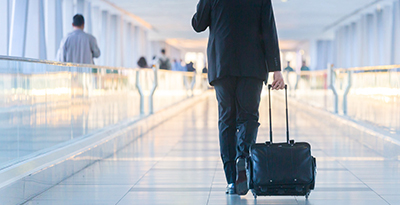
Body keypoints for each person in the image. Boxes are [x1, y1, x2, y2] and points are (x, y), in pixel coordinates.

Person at [192, 0, 285, 195]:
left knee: (227, 119)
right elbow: (269, 29)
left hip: (222, 63)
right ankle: (243, 156)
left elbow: (198, 24)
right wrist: (276, 68)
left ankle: (231, 178)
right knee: (249, 116)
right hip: (253, 64)